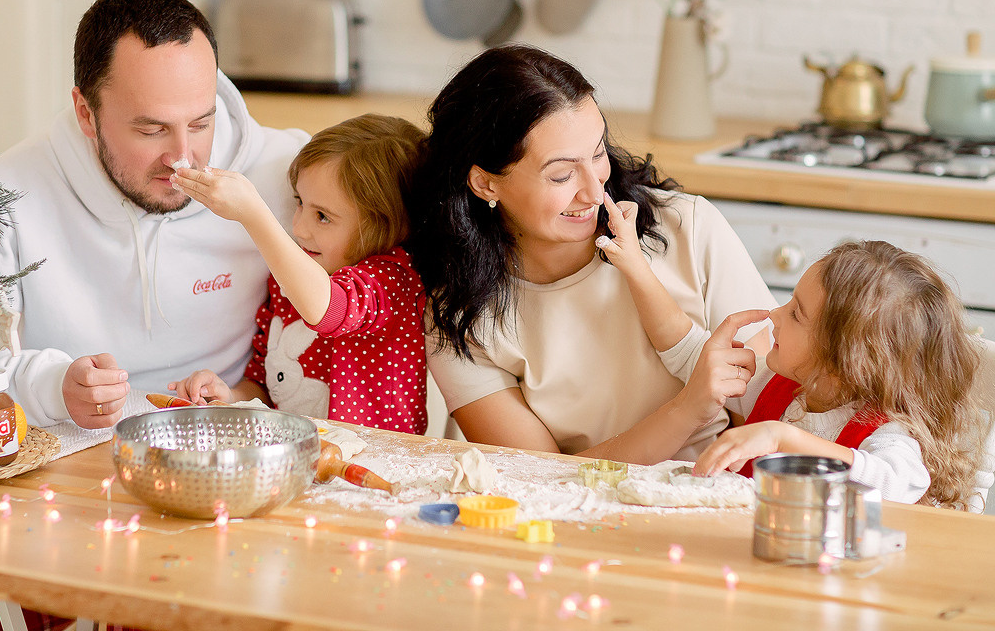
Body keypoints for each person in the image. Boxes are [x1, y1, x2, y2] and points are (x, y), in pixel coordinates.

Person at [0, 0, 307, 631]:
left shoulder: (289, 174)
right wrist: (54, 385)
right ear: (85, 113)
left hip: (228, 478)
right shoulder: (4, 196)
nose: (183, 156)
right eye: (151, 129)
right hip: (66, 472)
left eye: (201, 122)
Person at [406, 44, 776, 464]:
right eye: (561, 175)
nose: (595, 191)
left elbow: (772, 407)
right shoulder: (459, 315)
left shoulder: (687, 228)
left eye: (598, 153)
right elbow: (540, 477)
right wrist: (687, 410)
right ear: (486, 183)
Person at [169, 114, 429, 434]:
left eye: (323, 216)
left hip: (377, 458)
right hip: (298, 455)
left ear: (384, 226)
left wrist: (254, 215)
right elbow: (266, 388)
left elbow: (329, 309)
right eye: (300, 203)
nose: (298, 228)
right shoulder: (289, 280)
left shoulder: (393, 279)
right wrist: (229, 397)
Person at [689, 240, 994, 510]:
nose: (775, 314)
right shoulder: (774, 384)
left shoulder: (887, 431)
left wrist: (782, 438)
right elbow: (690, 360)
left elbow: (897, 484)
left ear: (845, 361)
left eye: (796, 314)